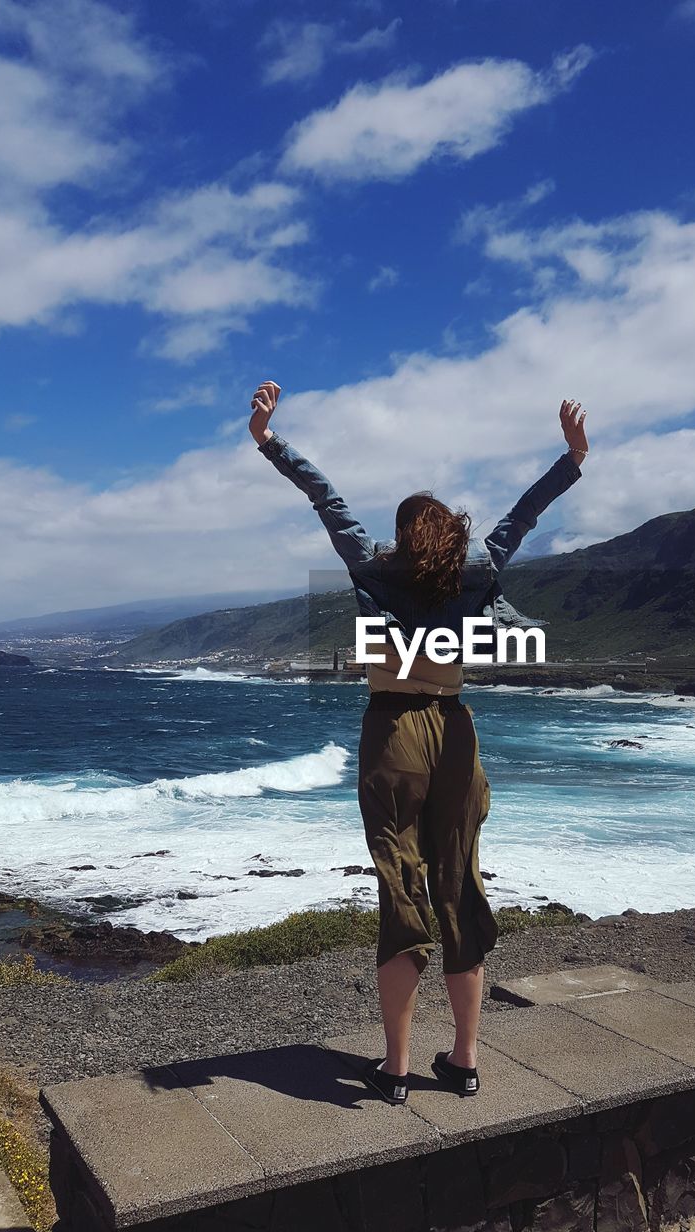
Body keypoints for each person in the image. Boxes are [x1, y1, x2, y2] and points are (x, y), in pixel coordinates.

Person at [249, 380, 588, 1105]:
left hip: (396, 727)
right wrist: (572, 459)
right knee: (459, 888)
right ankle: (463, 1062)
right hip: (456, 728)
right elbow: (523, 515)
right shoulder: (481, 570)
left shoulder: (376, 567)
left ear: (403, 535)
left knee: (402, 893)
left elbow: (326, 498)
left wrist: (270, 442)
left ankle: (397, 1069)